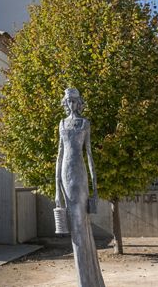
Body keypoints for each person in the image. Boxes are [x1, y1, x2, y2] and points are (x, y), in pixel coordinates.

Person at [55, 87, 105, 287]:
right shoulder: (61, 124)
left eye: (75, 101)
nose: (72, 104)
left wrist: (95, 189)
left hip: (80, 176)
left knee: (79, 225)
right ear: (65, 102)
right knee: (75, 227)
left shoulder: (84, 123)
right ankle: (86, 279)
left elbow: (90, 155)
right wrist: (57, 190)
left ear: (79, 102)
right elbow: (59, 157)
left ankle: (88, 280)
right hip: (65, 177)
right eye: (69, 101)